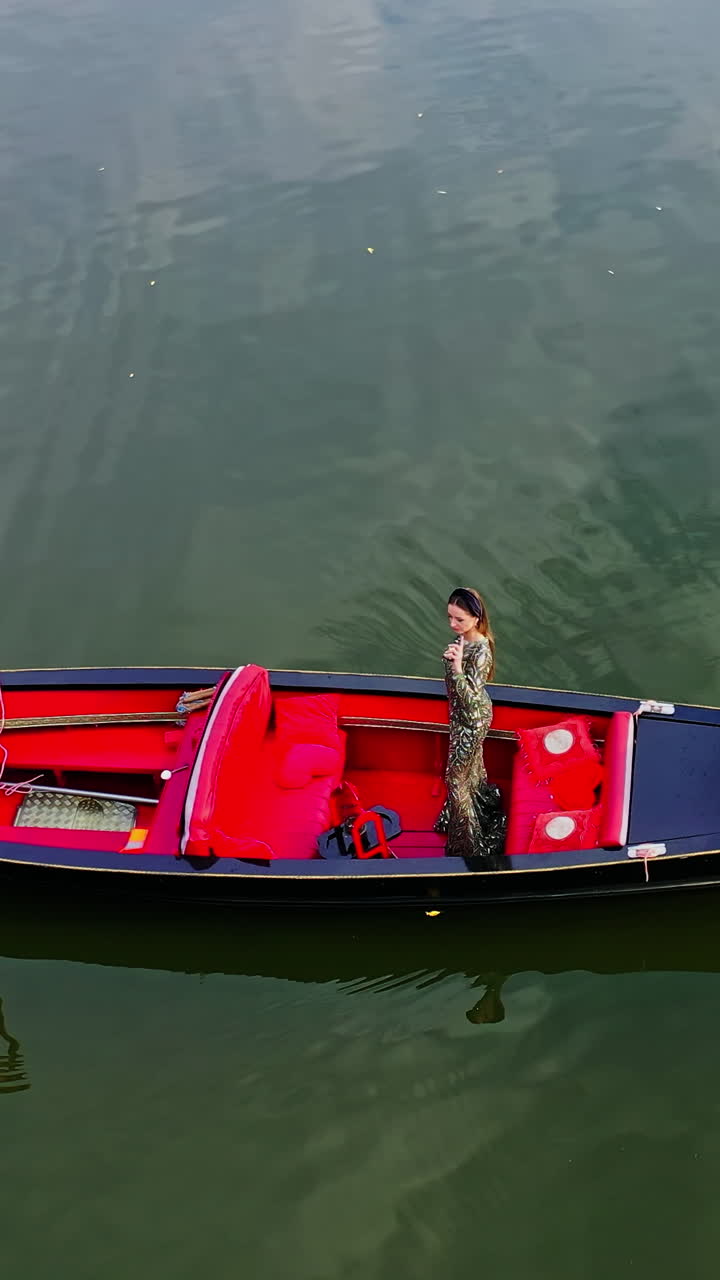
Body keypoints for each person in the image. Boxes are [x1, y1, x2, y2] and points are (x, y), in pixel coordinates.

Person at [434, 587, 506, 866]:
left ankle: (468, 845)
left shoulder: (480, 651)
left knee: (455, 778)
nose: (453, 625)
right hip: (459, 716)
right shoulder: (463, 639)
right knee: (470, 770)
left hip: (472, 720)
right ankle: (475, 814)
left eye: (459, 620)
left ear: (476, 618)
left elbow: (472, 700)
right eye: (450, 618)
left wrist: (456, 668)